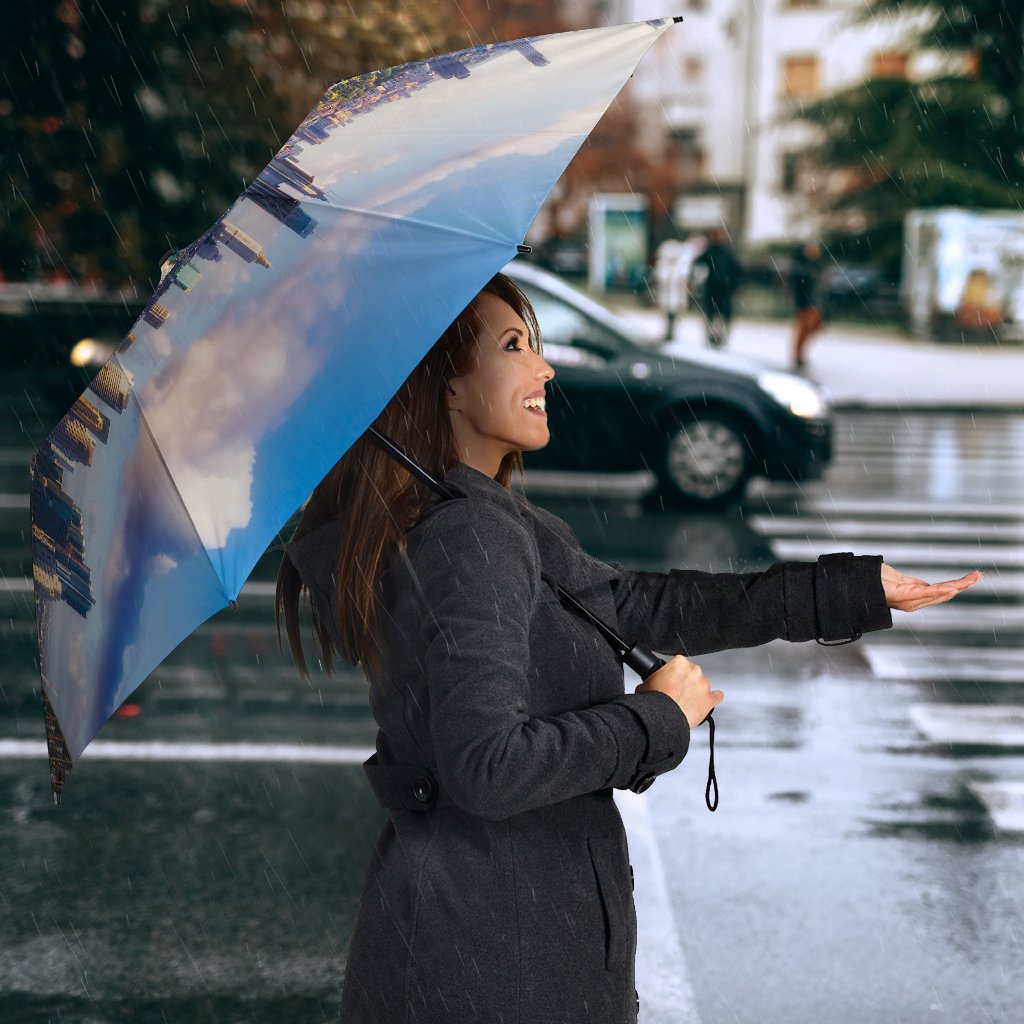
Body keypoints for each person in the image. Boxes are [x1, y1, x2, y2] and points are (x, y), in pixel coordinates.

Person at [276, 273, 981, 1024]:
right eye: (514, 347)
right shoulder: (469, 537)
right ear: (444, 387)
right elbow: (487, 767)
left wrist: (848, 590)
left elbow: (644, 605)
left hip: (482, 944)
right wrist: (654, 719)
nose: (544, 368)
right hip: (496, 963)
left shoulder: (482, 521)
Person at [691, 227, 742, 348]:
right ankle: (711, 336)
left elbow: (736, 270)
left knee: (722, 314)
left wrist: (736, 285)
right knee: (712, 313)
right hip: (713, 288)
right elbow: (698, 264)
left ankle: (720, 337)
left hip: (724, 289)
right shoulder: (710, 251)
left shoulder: (726, 252)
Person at [790, 241, 824, 369]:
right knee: (804, 328)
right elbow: (799, 285)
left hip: (814, 302)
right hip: (805, 302)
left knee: (814, 326)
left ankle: (800, 353)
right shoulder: (800, 266)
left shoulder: (814, 266)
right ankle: (798, 355)